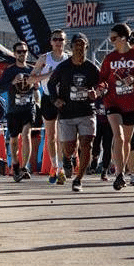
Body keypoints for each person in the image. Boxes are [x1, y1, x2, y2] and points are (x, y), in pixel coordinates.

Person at [99, 23, 134, 190]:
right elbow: (102, 78)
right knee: (119, 136)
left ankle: (123, 172)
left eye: (114, 38)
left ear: (123, 38)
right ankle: (119, 174)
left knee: (127, 140)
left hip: (131, 103)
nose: (111, 41)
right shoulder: (109, 58)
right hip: (112, 101)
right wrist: (101, 87)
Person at [46, 33, 100, 192]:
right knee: (69, 148)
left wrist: (96, 92)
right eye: (76, 44)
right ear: (71, 47)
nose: (79, 47)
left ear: (86, 47)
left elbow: (102, 85)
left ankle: (78, 179)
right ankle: (67, 158)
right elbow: (50, 84)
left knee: (87, 145)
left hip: (87, 112)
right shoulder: (63, 67)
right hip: (67, 113)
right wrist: (55, 100)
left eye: (82, 44)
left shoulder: (92, 68)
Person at [28, 29, 69, 182]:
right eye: (55, 39)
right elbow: (30, 80)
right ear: (51, 42)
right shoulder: (44, 59)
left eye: (61, 40)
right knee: (51, 136)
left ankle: (62, 165)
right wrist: (48, 75)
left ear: (65, 42)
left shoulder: (68, 59)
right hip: (48, 98)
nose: (58, 42)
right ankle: (55, 166)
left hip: (64, 99)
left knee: (64, 136)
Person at [0, 42, 37, 182]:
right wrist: (12, 82)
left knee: (26, 134)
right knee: (14, 139)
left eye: (24, 51)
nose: (22, 54)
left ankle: (25, 167)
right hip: (14, 110)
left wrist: (36, 84)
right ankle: (16, 165)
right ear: (14, 53)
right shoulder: (9, 70)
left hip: (28, 108)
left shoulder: (32, 69)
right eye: (19, 51)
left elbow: (38, 84)